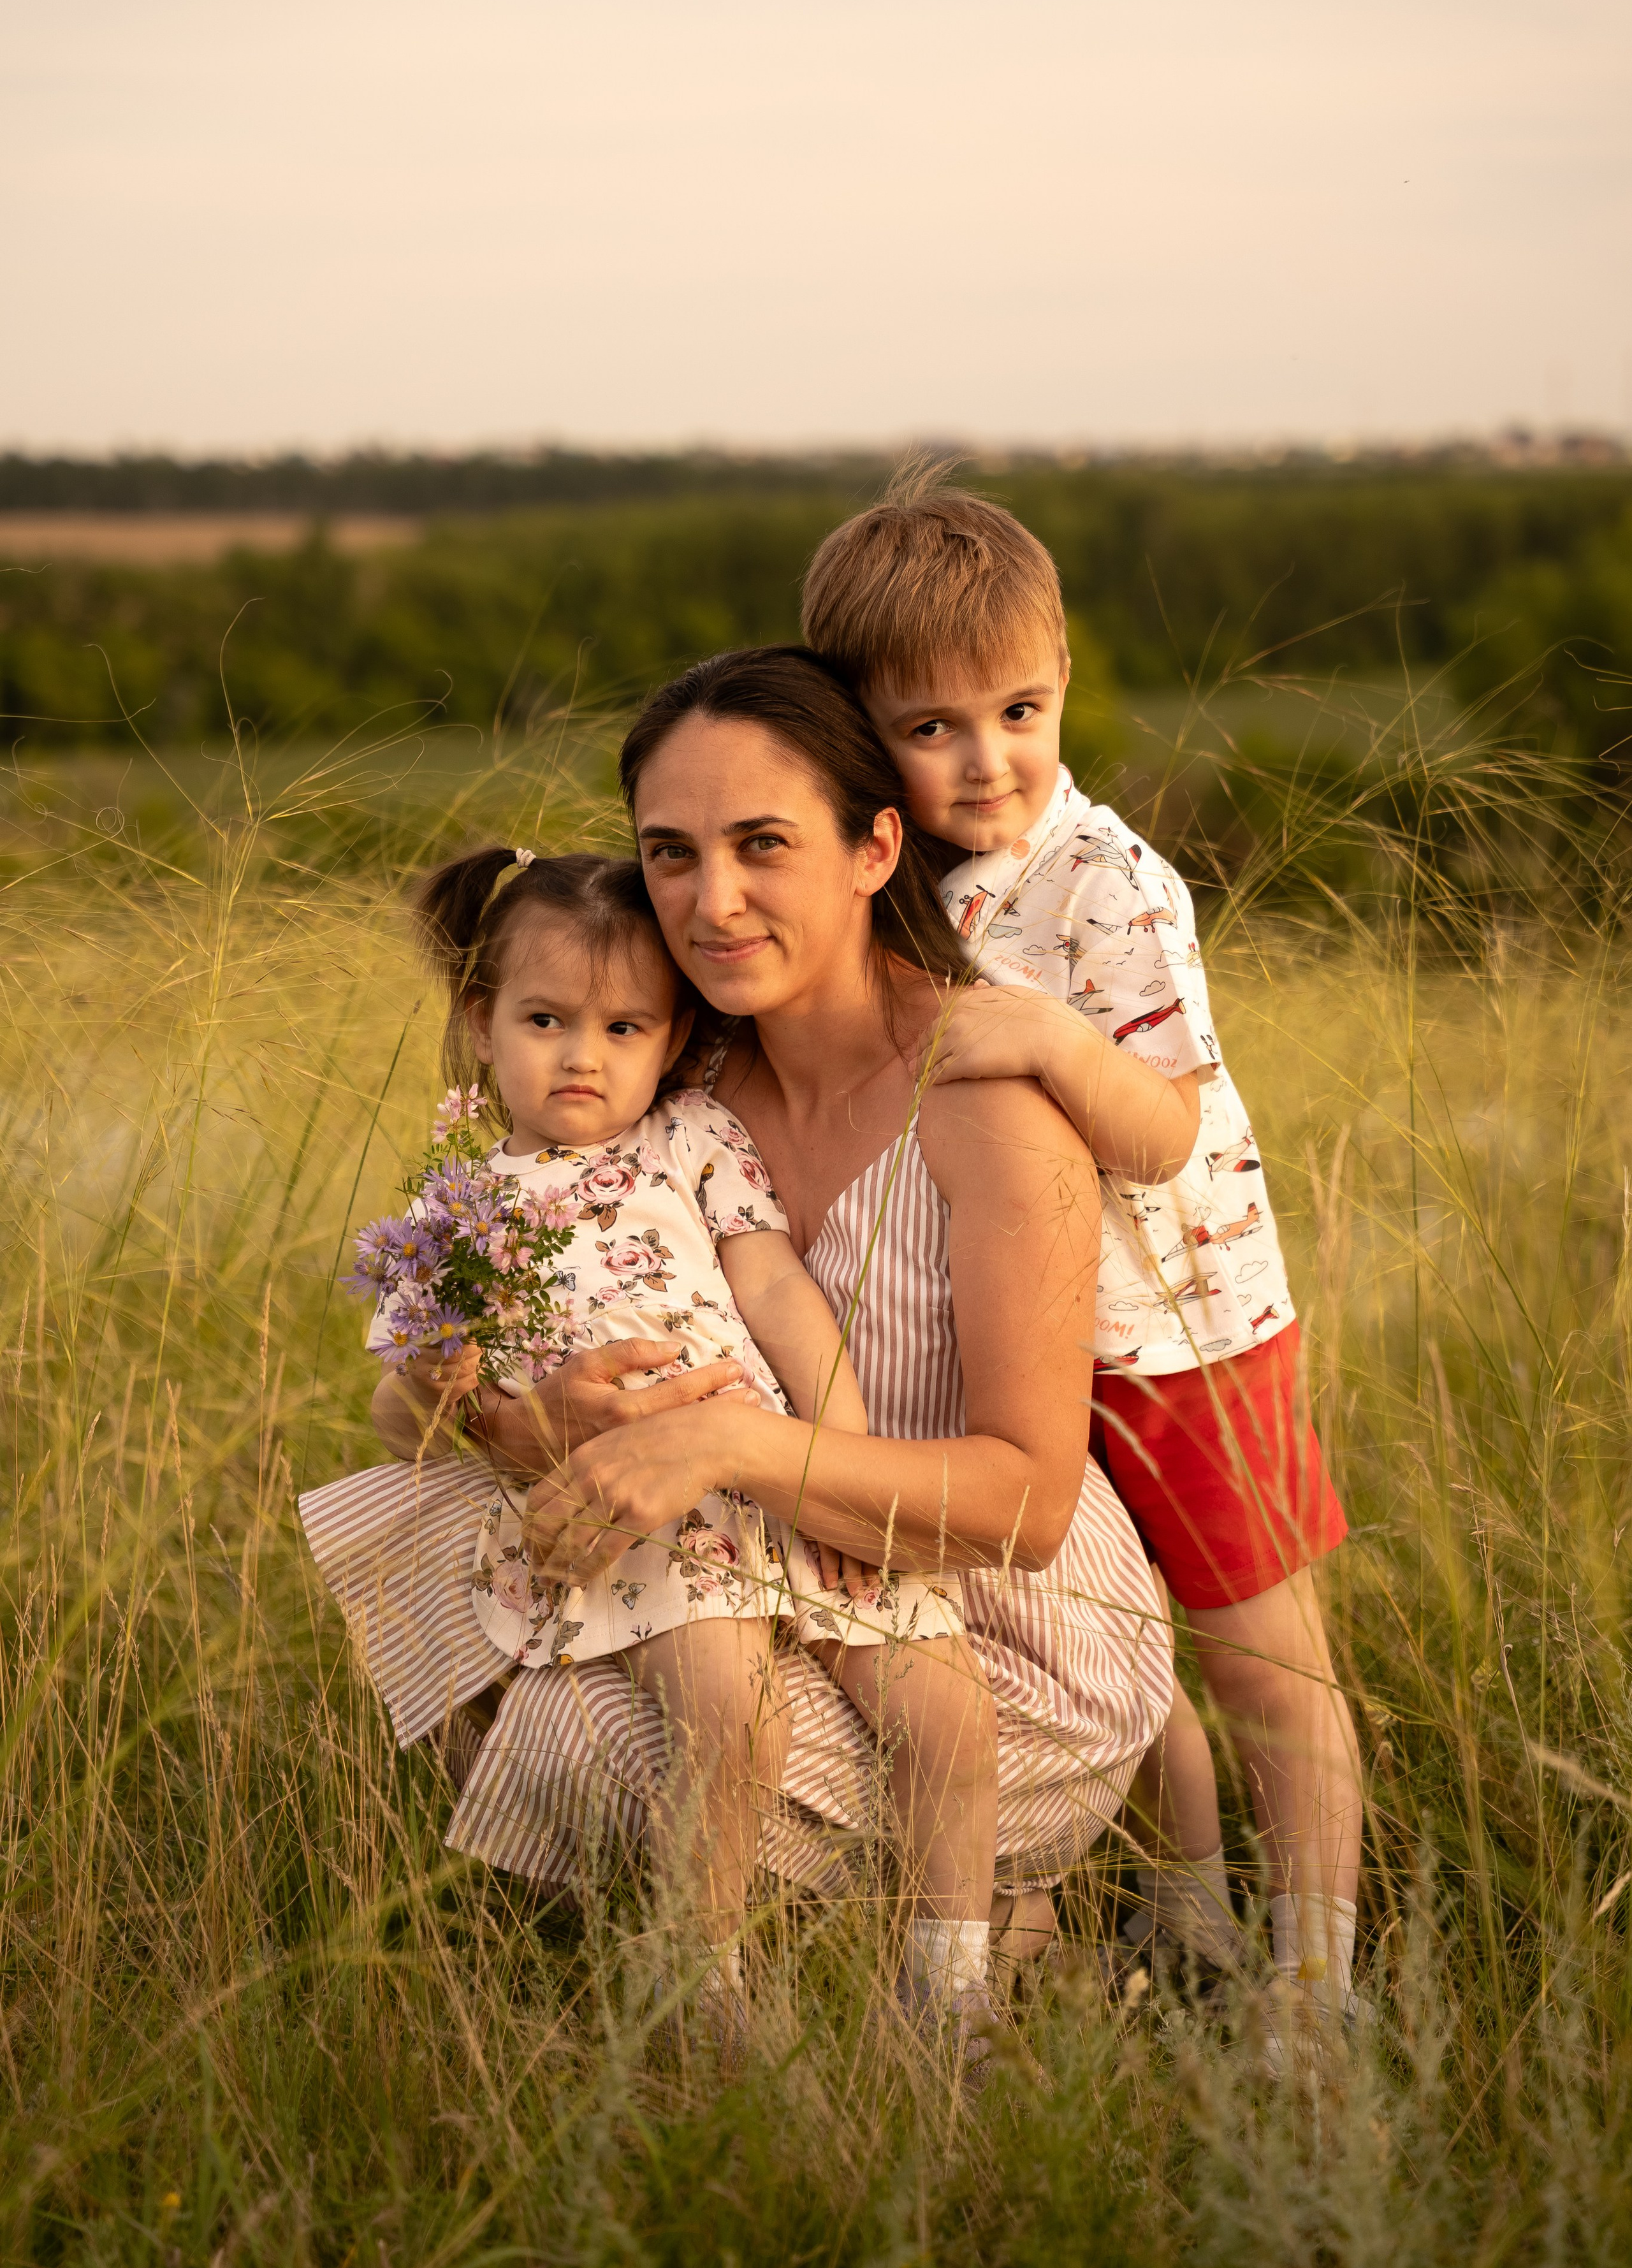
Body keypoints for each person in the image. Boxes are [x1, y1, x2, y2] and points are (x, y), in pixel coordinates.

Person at [494, 646, 1171, 2005]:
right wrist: (525, 1415)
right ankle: (927, 1931)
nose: (711, 901)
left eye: (761, 845)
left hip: (1011, 1633)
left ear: (874, 847)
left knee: (586, 1739)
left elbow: (1027, 1508)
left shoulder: (979, 1089)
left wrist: (722, 1447)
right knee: (464, 1587)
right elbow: (457, 1353)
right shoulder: (666, 1070)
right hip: (768, 1569)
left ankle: (945, 1962)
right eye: (669, 853)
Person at [800, 477, 1366, 2030]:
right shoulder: (888, 873)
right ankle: (1182, 1910)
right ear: (859, 733)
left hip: (1181, 1331)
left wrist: (1039, 1036)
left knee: (1260, 1662)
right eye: (932, 726)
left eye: (1020, 708)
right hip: (1015, 1344)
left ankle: (1315, 1986)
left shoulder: (1107, 884)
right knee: (1107, 1638)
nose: (988, 758)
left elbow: (1166, 1130)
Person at [300, 847, 994, 2027]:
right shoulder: (461, 1208)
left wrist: (841, 1458)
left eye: (626, 1028)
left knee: (946, 1704)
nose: (584, 1055)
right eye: (546, 1019)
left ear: (673, 1042)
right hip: (635, 1515)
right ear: (482, 1025)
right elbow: (395, 1415)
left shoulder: (694, 1139)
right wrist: (454, 1391)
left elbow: (778, 1296)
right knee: (733, 1715)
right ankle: (701, 1977)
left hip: (768, 1472)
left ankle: (951, 1980)